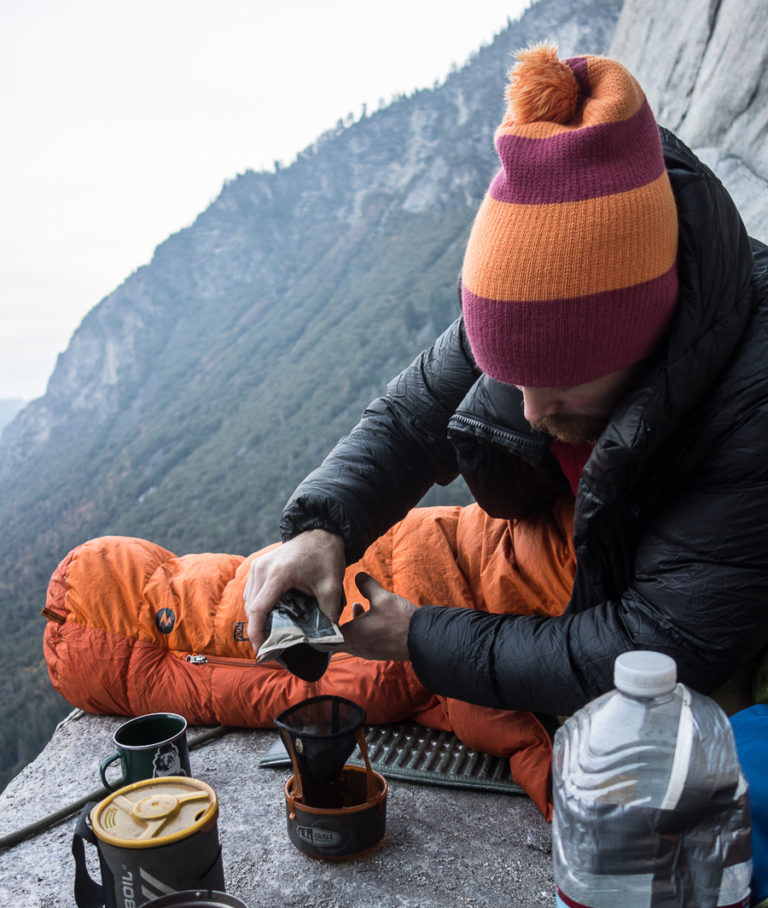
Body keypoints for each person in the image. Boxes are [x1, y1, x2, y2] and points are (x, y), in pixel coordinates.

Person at [244, 43, 768, 718]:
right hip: (587, 556)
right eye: (508, 377)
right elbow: (411, 419)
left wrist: (419, 638)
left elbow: (661, 646)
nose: (527, 411)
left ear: (647, 335)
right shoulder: (535, 302)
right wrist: (320, 526)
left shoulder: (751, 403)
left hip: (678, 608)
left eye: (558, 386)